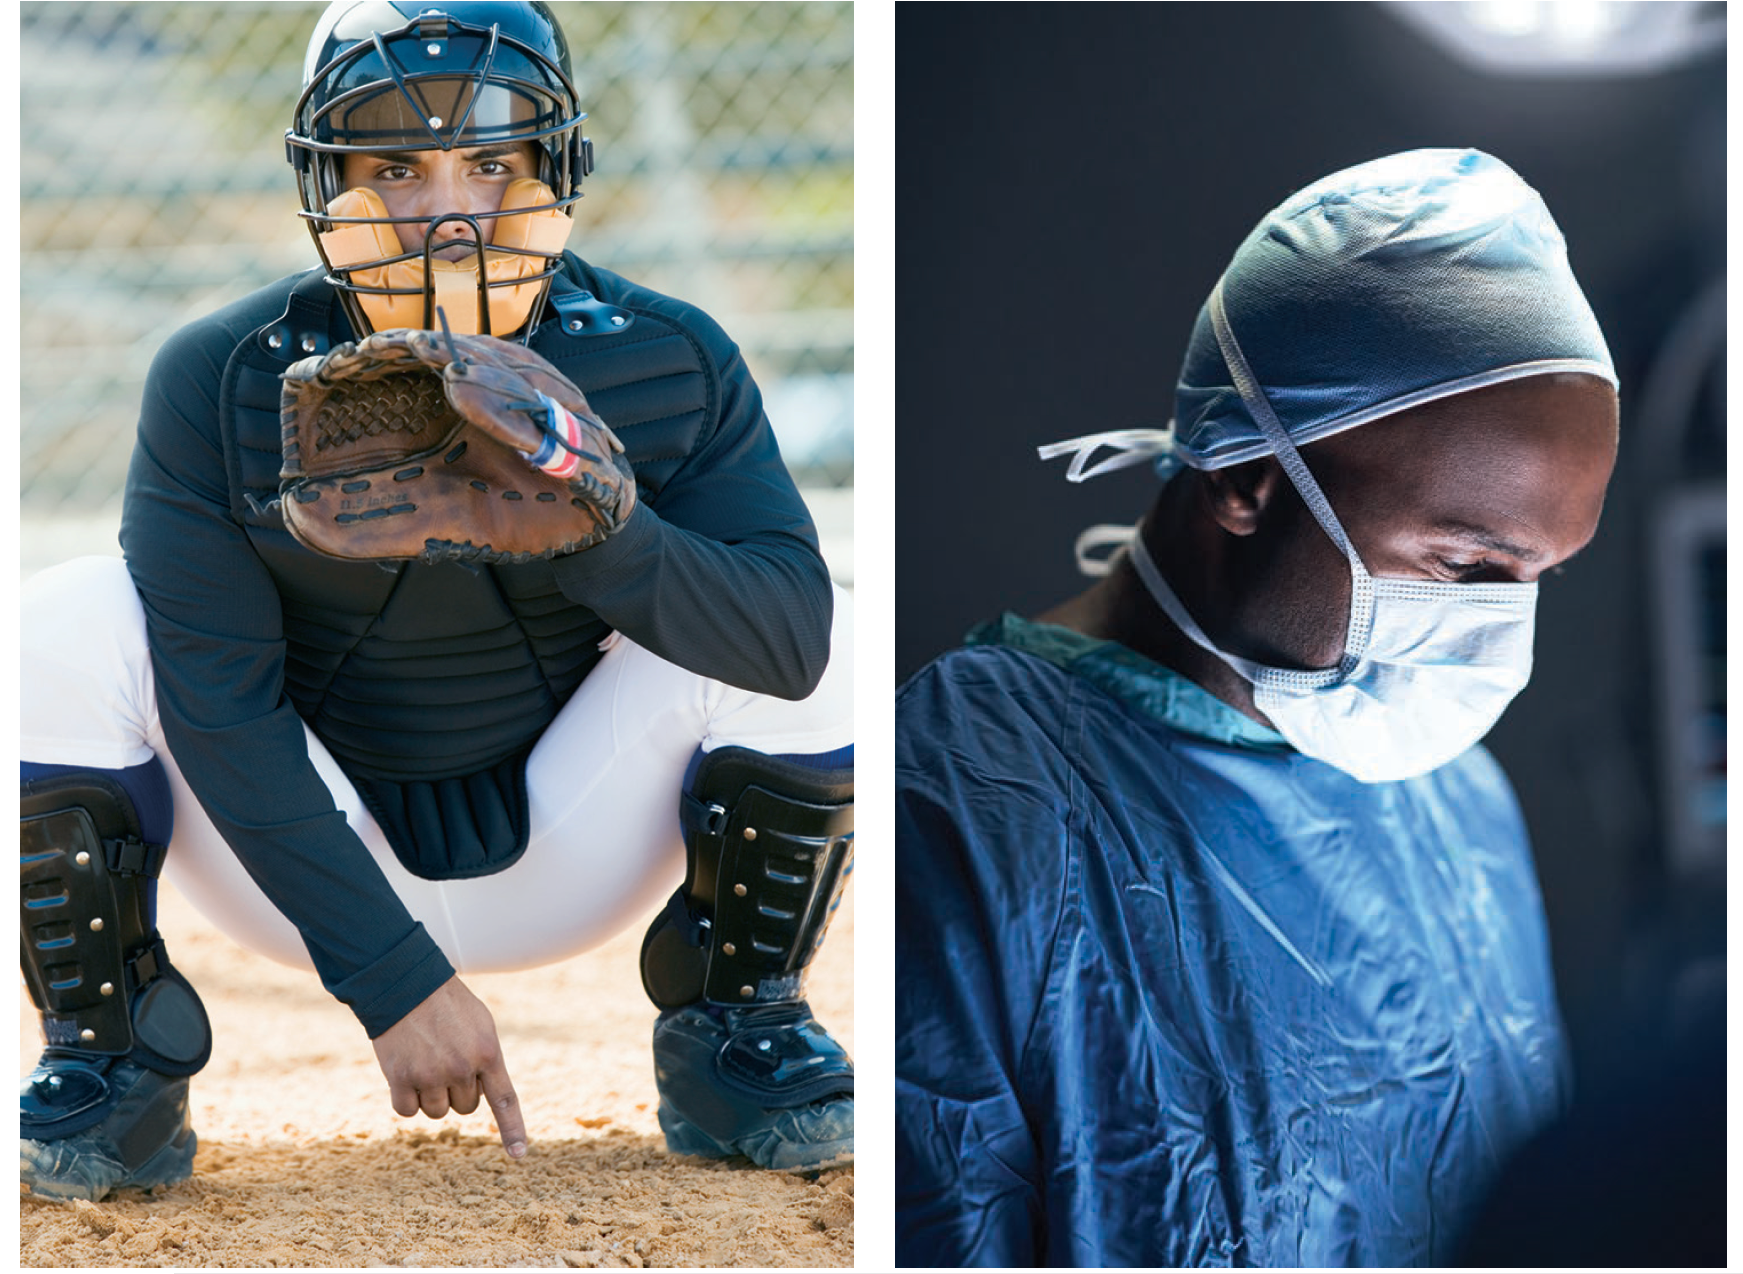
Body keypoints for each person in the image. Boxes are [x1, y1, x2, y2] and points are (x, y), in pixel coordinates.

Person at [21, 0, 854, 1202]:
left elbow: (792, 645)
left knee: (826, 597)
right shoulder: (219, 374)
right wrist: (391, 976)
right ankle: (108, 1061)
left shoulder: (667, 355)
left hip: (570, 851)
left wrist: (603, 530)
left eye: (491, 159)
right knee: (65, 614)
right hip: (304, 864)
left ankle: (743, 1030)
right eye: (396, 166)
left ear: (551, 170)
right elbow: (216, 700)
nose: (446, 207)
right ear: (327, 182)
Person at [894, 149, 1619, 1266]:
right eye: (1468, 565)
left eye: (1542, 575)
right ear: (1248, 478)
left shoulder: (1454, 791)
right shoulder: (969, 809)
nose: (1499, 633)